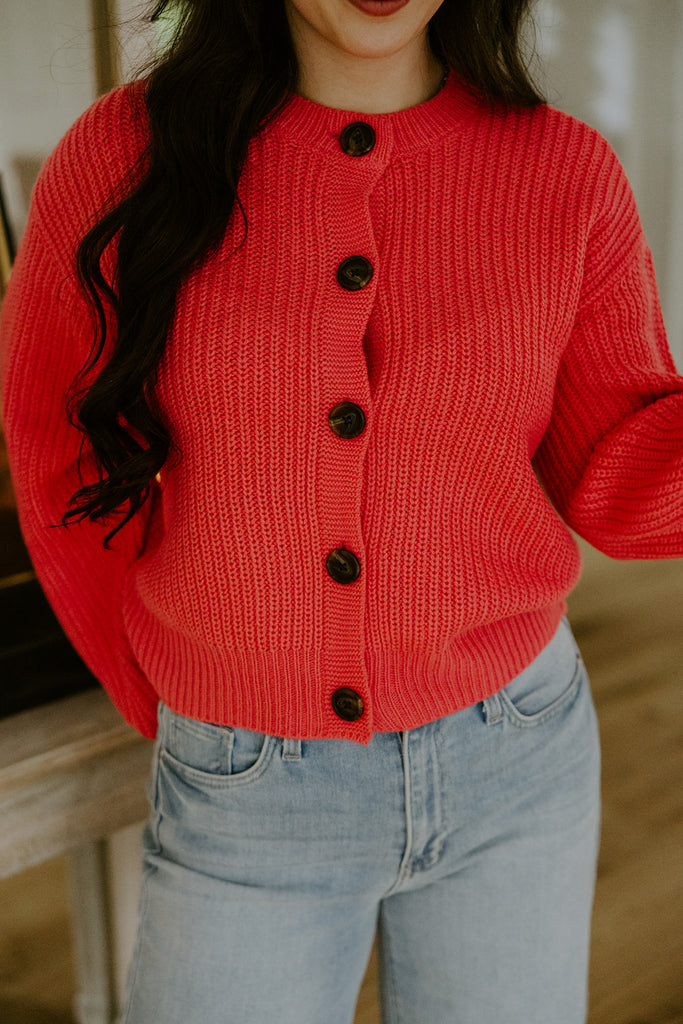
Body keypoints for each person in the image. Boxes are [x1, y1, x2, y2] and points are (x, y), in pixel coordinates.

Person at [1, 0, 682, 1021]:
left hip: (516, 753)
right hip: (244, 785)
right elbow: (57, 441)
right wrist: (175, 691)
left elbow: (617, 467)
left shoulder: (562, 171)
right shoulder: (123, 157)